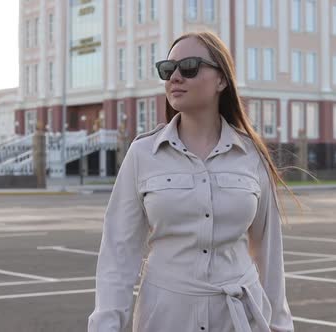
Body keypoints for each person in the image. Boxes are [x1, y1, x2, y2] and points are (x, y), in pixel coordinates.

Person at [88, 31, 294, 332]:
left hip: (238, 319)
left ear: (221, 80)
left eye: (190, 67)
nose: (175, 78)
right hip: (165, 317)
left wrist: (280, 326)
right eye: (168, 70)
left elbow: (268, 252)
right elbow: (118, 252)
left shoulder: (251, 154)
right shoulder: (142, 154)